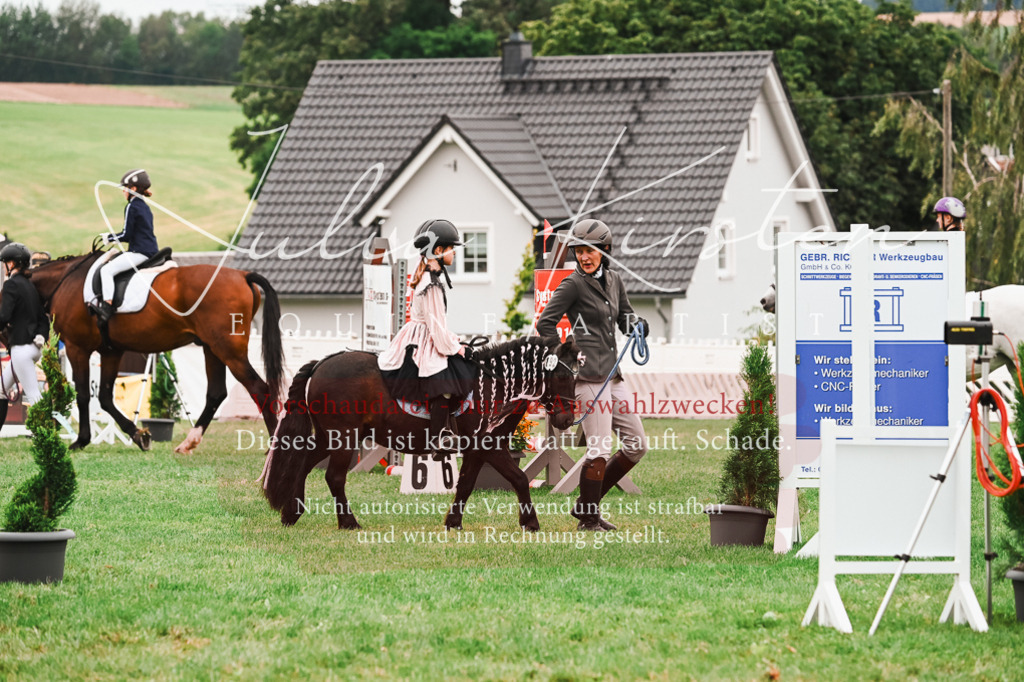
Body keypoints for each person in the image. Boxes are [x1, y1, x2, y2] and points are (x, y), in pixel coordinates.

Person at [536, 219, 649, 531]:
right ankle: (588, 518)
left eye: (590, 251)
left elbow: (625, 318)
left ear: (605, 251)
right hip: (586, 379)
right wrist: (564, 353)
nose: (584, 257)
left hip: (613, 375)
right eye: (579, 251)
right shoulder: (572, 284)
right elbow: (545, 323)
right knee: (598, 447)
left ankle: (586, 506)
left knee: (637, 444)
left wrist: (638, 324)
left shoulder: (614, 280)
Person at [378, 219, 472, 458]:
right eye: (451, 247)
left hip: (422, 335)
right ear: (438, 251)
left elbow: (437, 325)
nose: (454, 253)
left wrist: (455, 340)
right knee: (446, 385)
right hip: (425, 341)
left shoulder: (430, 277)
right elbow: (437, 329)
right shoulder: (431, 283)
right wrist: (459, 349)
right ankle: (439, 436)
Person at [90, 169, 160, 323]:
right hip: (151, 250)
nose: (123, 190)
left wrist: (108, 237)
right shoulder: (144, 205)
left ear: (133, 189)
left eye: (125, 187)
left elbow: (126, 235)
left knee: (107, 270)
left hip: (140, 252)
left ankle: (106, 307)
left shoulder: (132, 206)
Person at [0, 242, 49, 428]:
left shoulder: (11, 284)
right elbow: (43, 319)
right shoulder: (30, 286)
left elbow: (4, 315)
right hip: (34, 347)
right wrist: (41, 336)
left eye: (5, 263)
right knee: (1, 389)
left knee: (34, 395)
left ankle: (48, 439)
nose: (4, 267)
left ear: (11, 264)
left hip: (21, 348)